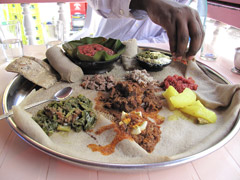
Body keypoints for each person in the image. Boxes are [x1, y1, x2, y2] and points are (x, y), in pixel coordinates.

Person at [87, 0, 205, 62]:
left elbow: (165, 37)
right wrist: (146, 2)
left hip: (146, 59)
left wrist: (134, 48)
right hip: (101, 53)